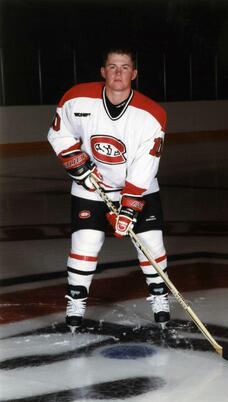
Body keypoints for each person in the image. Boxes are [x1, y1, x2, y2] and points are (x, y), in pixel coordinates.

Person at [47, 46, 171, 333]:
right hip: (91, 187)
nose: (118, 72)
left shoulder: (151, 114)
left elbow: (145, 164)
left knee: (151, 245)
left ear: (134, 73)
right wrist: (76, 163)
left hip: (140, 189)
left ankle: (160, 297)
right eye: (112, 67)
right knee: (85, 244)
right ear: (103, 71)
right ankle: (76, 301)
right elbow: (59, 132)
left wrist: (129, 206)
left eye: (125, 67)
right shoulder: (77, 98)